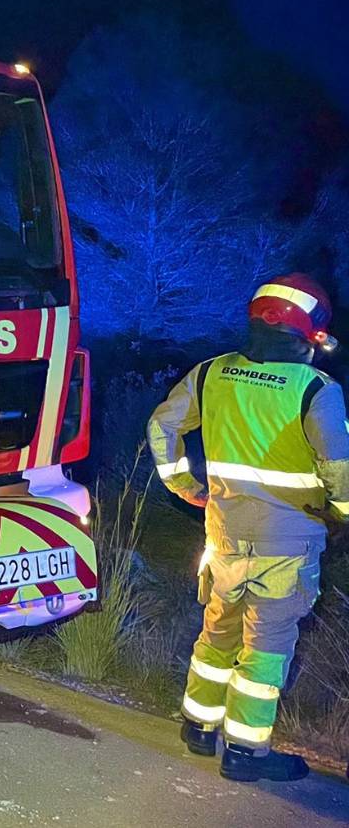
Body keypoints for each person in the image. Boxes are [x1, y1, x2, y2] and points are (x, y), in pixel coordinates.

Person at [147, 274, 349, 782]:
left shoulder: (211, 373)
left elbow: (161, 426)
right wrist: (344, 515)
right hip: (289, 542)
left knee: (217, 630)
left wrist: (183, 486)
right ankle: (246, 753)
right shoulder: (316, 389)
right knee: (268, 645)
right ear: (310, 332)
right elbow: (339, 468)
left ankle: (198, 727)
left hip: (224, 536)